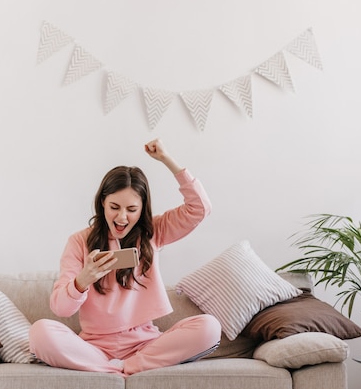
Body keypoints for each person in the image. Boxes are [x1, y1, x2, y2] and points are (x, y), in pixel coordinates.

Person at [29, 139, 221, 377]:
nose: (122, 217)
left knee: (209, 327)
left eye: (131, 210)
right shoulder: (78, 242)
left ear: (142, 209)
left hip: (145, 346)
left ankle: (121, 369)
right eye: (114, 207)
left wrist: (167, 159)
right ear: (102, 203)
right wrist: (83, 280)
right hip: (93, 348)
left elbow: (199, 208)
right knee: (40, 332)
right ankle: (114, 368)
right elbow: (60, 307)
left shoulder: (154, 232)